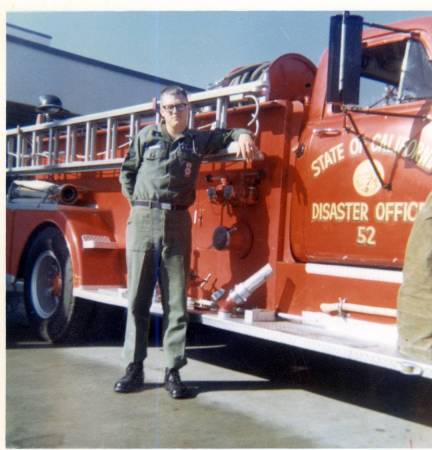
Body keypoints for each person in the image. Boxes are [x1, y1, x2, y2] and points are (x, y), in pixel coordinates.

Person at [115, 86, 256, 398]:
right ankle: (134, 368)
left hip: (178, 222)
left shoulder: (196, 140)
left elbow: (230, 132)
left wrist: (244, 136)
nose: (174, 112)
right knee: (138, 298)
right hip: (143, 221)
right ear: (161, 111)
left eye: (179, 106)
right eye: (168, 107)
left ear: (188, 109)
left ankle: (172, 370)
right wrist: (138, 205)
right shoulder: (146, 137)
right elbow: (127, 173)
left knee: (175, 301)